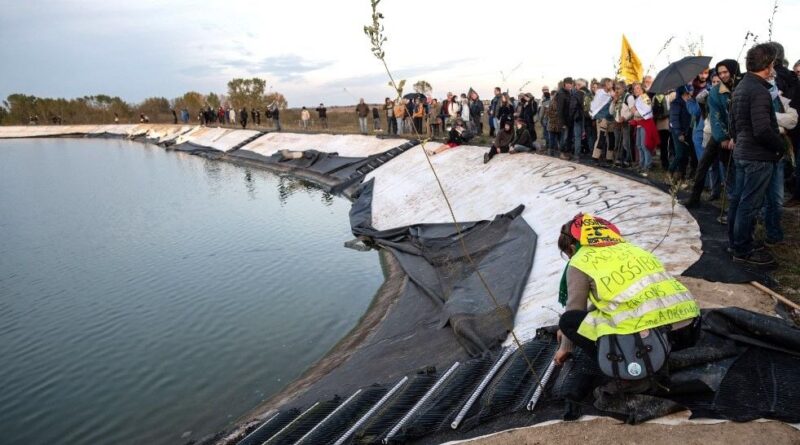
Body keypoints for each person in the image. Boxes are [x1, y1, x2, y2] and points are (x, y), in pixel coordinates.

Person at [553, 213, 700, 394]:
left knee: (568, 321)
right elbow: (616, 300)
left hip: (650, 340)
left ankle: (623, 372)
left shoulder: (580, 261)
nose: (569, 257)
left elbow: (575, 308)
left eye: (567, 253)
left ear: (572, 247)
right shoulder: (632, 248)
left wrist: (565, 348)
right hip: (687, 326)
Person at [727, 43, 784, 265]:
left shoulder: (741, 86)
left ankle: (736, 242)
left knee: (738, 201)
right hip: (757, 156)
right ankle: (742, 250)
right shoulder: (758, 90)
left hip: (743, 152)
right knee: (748, 204)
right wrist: (780, 146)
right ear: (768, 65)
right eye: (772, 65)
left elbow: (733, 122)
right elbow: (762, 129)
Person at [684, 59, 740, 209]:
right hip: (719, 134)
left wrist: (733, 136)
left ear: (733, 71)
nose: (723, 75)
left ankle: (733, 205)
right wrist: (722, 137)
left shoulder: (741, 87)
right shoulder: (715, 91)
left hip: (739, 136)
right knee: (703, 165)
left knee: (730, 170)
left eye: (725, 72)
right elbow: (715, 116)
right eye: (720, 72)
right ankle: (695, 198)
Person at [629, 82, 657, 176]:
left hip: (646, 124)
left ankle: (647, 165)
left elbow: (648, 110)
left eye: (637, 88)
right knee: (639, 145)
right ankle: (641, 164)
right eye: (634, 89)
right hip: (639, 124)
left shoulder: (645, 97)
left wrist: (635, 112)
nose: (636, 90)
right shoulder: (637, 99)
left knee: (645, 145)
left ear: (642, 89)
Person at [669, 85, 694, 185]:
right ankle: (670, 171)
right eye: (689, 90)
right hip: (677, 132)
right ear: (685, 92)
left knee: (685, 155)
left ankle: (681, 176)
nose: (691, 92)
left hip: (687, 131)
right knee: (679, 154)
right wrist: (679, 133)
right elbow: (674, 119)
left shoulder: (688, 101)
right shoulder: (676, 103)